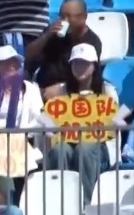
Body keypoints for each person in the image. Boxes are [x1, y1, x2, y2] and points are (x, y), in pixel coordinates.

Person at [41, 43, 121, 200]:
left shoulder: (108, 91)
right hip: (67, 140)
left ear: (94, 66)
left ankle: (85, 203)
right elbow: (45, 115)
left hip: (99, 145)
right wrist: (49, 126)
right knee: (59, 150)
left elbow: (117, 118)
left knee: (83, 149)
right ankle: (61, 202)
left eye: (85, 63)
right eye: (76, 63)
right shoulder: (61, 91)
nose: (80, 67)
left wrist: (117, 120)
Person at [26, 0, 102, 100]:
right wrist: (47, 36)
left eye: (69, 17)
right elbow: (27, 57)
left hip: (69, 95)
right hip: (42, 90)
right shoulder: (53, 34)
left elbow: (85, 77)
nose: (65, 21)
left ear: (83, 17)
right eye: (62, 16)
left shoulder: (92, 42)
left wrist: (62, 89)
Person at [0, 46, 44, 128]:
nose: (11, 64)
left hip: (24, 134)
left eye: (14, 60)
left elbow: (38, 119)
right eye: (5, 61)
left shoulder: (31, 89)